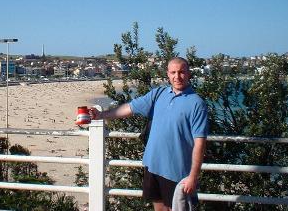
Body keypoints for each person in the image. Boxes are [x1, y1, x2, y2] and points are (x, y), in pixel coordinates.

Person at [89, 57, 208, 211]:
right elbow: (130, 108)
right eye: (173, 72)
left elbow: (200, 143)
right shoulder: (159, 94)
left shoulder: (196, 103)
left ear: (188, 74)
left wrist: (193, 176)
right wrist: (102, 115)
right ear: (167, 74)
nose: (177, 76)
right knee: (158, 209)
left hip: (177, 172)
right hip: (153, 165)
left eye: (181, 72)